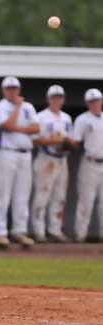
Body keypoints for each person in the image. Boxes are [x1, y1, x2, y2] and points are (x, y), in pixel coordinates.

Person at [0, 76, 39, 249]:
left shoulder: (29, 107)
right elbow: (7, 126)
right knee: (2, 193)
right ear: (4, 90)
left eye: (15, 88)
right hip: (6, 153)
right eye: (9, 88)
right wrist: (17, 107)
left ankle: (20, 231)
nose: (13, 91)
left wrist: (19, 128)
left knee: (22, 194)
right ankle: (1, 233)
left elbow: (36, 128)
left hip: (25, 153)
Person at [30, 85, 73, 243]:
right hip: (46, 158)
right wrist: (52, 140)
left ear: (63, 99)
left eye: (59, 97)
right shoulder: (41, 117)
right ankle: (39, 231)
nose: (57, 100)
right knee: (42, 195)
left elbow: (71, 140)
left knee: (60, 196)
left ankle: (55, 229)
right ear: (49, 99)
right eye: (54, 97)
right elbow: (34, 140)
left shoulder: (66, 118)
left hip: (62, 159)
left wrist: (67, 143)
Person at [70, 89, 103, 242]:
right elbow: (76, 142)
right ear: (87, 103)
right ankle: (80, 235)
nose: (95, 104)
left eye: (97, 100)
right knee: (86, 200)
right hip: (90, 162)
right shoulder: (82, 119)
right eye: (91, 101)